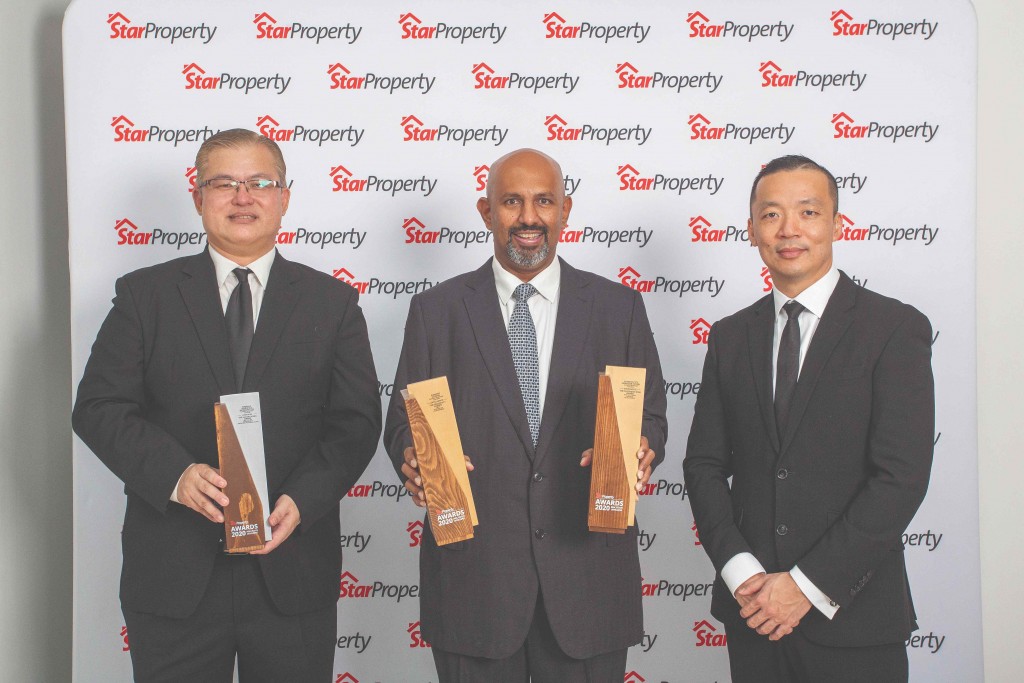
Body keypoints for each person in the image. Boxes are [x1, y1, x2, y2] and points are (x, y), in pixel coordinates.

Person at [73, 128, 382, 682]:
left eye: (260, 183)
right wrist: (175, 474)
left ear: (284, 197)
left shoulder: (332, 304)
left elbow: (356, 424)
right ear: (197, 197)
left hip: (291, 571)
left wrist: (303, 499)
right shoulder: (145, 297)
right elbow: (98, 406)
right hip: (173, 575)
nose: (243, 197)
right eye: (224, 184)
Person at [383, 148, 668, 682]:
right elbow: (402, 419)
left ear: (565, 209)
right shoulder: (435, 310)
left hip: (590, 583)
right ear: (486, 211)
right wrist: (412, 456)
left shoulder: (618, 307)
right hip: (475, 584)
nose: (529, 217)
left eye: (543, 201)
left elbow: (650, 415)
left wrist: (643, 447)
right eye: (511, 201)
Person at [684, 155, 934, 682]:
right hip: (753, 616)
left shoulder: (894, 328)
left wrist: (804, 586)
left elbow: (900, 478)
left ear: (837, 224)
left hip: (855, 619)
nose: (789, 229)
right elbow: (703, 465)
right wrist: (743, 574)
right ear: (751, 229)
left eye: (808, 212)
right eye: (771, 215)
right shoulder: (730, 337)